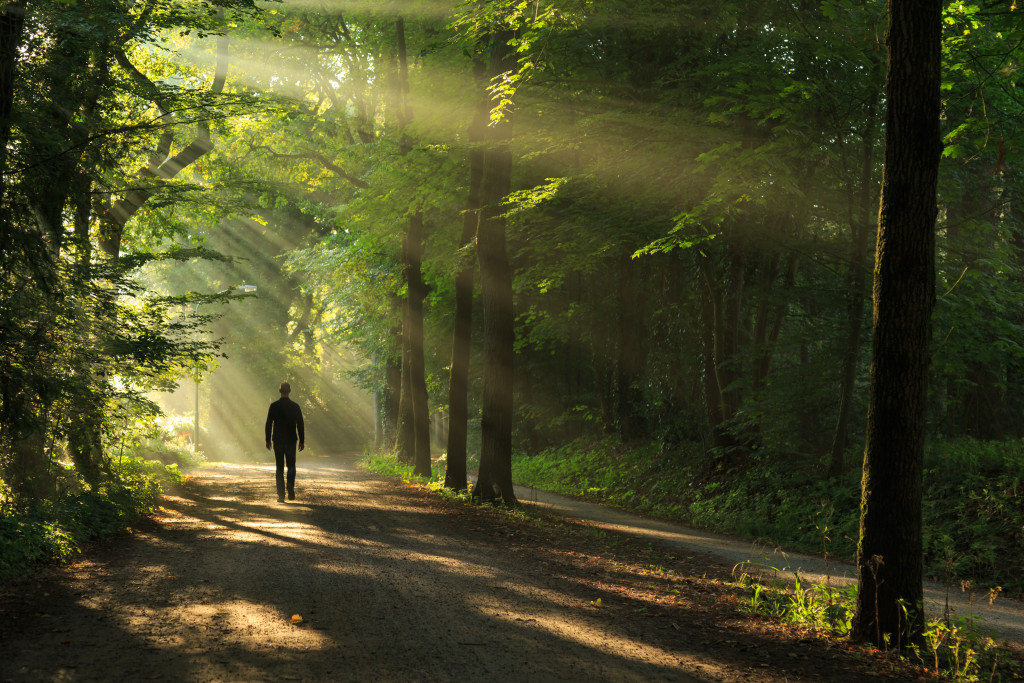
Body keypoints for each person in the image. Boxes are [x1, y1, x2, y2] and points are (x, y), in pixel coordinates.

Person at [265, 381, 305, 503]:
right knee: (291, 465)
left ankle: (281, 495)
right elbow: (300, 424)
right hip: (292, 439)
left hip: (277, 440)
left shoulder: (274, 406)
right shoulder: (295, 406)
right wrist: (302, 440)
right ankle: (290, 486)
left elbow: (269, 424)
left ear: (280, 391)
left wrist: (267, 439)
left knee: (279, 467)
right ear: (289, 391)